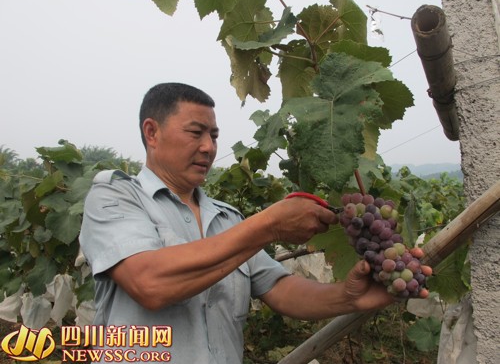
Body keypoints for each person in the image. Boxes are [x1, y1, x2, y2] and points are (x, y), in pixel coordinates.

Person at [79, 82, 394, 363]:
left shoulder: (228, 219)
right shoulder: (114, 196)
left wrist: (347, 296)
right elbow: (149, 283)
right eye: (195, 132)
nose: (208, 147)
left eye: (214, 135)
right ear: (152, 132)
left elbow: (280, 289)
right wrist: (269, 224)